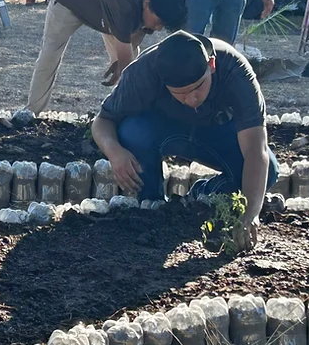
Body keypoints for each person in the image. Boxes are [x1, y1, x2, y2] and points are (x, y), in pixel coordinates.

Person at [91, 30, 277, 251]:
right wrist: (114, 152)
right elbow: (102, 122)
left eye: (198, 88)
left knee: (268, 173)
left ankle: (203, 194)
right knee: (132, 131)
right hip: (165, 129)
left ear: (212, 66)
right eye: (180, 93)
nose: (191, 99)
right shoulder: (142, 73)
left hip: (217, 132)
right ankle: (151, 207)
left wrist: (251, 213)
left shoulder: (235, 71)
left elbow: (256, 150)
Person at [26, 0, 187, 114]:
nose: (158, 28)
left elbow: (135, 39)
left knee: (130, 55)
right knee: (50, 52)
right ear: (146, 3)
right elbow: (127, 69)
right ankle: (32, 110)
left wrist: (120, 60)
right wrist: (122, 65)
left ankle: (123, 111)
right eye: (158, 22)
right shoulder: (124, 6)